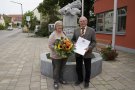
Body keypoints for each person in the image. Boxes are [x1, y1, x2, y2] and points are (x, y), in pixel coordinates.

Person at [72, 16, 96, 88]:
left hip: (87, 52)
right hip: (78, 52)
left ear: (87, 21)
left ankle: (86, 81)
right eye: (81, 21)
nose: (82, 22)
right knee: (78, 67)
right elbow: (73, 39)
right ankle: (80, 79)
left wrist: (89, 48)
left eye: (84, 21)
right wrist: (74, 43)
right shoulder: (76, 30)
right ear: (79, 22)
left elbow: (94, 42)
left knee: (87, 68)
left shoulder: (91, 30)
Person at [48, 20, 67, 89]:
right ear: (55, 27)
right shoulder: (53, 35)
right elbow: (50, 45)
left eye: (61, 27)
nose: (60, 29)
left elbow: (66, 41)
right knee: (56, 69)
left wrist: (67, 47)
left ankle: (61, 79)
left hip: (64, 55)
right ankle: (55, 82)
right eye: (58, 27)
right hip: (56, 56)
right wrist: (57, 48)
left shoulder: (63, 33)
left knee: (62, 68)